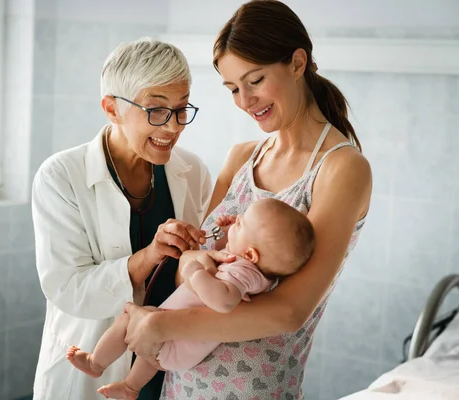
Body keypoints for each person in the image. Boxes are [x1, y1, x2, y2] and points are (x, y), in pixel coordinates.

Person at [119, 1, 373, 399]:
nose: (245, 101)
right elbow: (189, 265)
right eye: (233, 88)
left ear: (297, 63)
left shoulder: (341, 169)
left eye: (255, 80)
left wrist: (163, 325)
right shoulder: (241, 158)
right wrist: (193, 261)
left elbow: (289, 312)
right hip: (183, 384)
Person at [31, 38, 227, 400]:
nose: (173, 127)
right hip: (90, 370)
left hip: (168, 362)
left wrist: (220, 243)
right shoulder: (61, 176)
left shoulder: (192, 171)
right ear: (112, 108)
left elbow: (193, 271)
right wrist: (148, 256)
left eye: (182, 109)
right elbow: (66, 288)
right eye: (156, 110)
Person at [66, 198, 315, 399]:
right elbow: (222, 259)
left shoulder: (243, 272)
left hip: (180, 339)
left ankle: (95, 363)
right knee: (149, 355)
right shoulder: (249, 267)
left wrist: (194, 272)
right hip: (178, 338)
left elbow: (223, 301)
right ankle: (130, 388)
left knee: (128, 318)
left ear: (250, 253)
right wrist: (227, 234)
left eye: (241, 225)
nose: (236, 220)